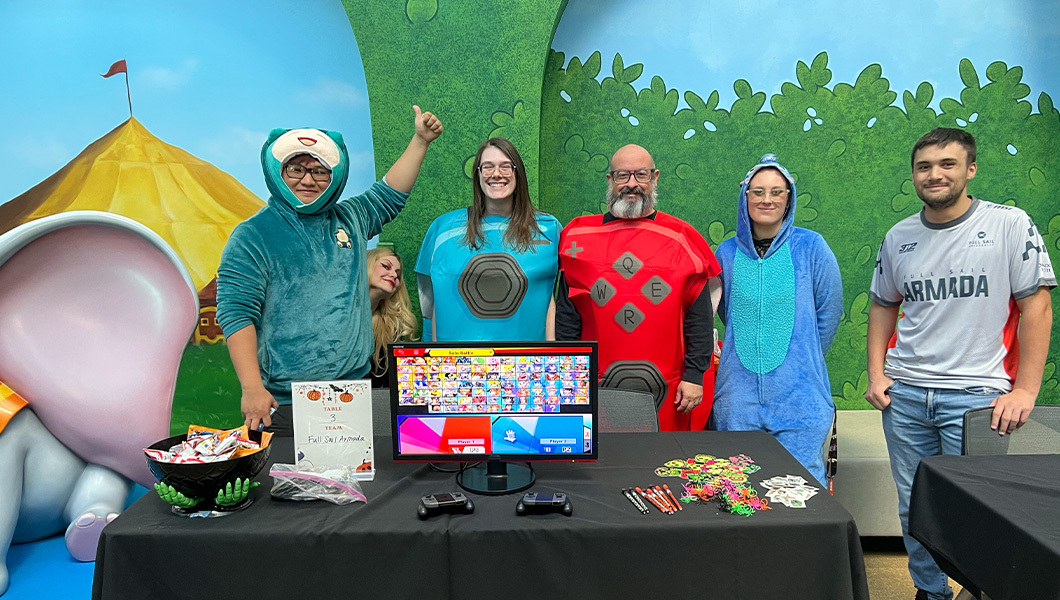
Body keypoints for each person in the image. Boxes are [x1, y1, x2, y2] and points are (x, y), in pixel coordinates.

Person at [866, 128, 1054, 600]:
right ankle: (930, 592)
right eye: (924, 166)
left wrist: (1025, 391)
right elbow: (882, 306)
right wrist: (876, 373)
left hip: (977, 398)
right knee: (913, 508)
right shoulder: (899, 236)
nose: (935, 174)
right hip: (906, 396)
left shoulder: (1010, 224)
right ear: (913, 175)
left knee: (980, 511)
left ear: (970, 169)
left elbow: (1038, 307)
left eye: (947, 164)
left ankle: (980, 591)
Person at [217, 106, 444, 435]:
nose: (308, 180)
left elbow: (391, 194)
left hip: (353, 393)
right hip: (284, 402)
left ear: (334, 177)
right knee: (290, 487)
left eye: (320, 171)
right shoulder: (252, 235)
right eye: (296, 169)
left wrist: (421, 141)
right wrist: (252, 387)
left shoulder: (350, 218)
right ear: (277, 171)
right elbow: (237, 312)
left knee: (355, 484)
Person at [555, 144, 721, 431]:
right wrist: (569, 377)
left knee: (665, 464)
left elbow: (700, 317)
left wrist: (695, 375)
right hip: (595, 383)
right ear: (610, 180)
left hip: (670, 389)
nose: (631, 184)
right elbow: (568, 318)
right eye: (622, 175)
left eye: (640, 174)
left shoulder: (682, 238)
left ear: (655, 178)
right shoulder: (577, 237)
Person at [711, 154, 843, 485]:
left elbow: (828, 313)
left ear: (789, 197)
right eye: (757, 192)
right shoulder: (725, 254)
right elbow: (726, 314)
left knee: (801, 492)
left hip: (799, 397)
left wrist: (802, 359)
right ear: (745, 196)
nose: (766, 199)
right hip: (736, 400)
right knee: (737, 490)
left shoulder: (812, 248)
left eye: (776, 192)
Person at [416, 137, 559, 341]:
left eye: (506, 166)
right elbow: (432, 304)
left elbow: (549, 300)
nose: (496, 174)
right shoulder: (443, 228)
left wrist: (550, 356)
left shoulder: (548, 228)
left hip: (526, 366)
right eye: (488, 167)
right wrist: (434, 358)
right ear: (478, 174)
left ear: (518, 173)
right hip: (457, 365)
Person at [367, 246, 417, 388]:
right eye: (386, 266)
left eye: (398, 274)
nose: (394, 276)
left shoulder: (391, 327)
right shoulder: (336, 315)